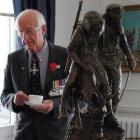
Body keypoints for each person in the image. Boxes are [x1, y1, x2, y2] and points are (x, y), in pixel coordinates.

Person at [1, 9, 67, 140]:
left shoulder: (64, 56)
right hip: (23, 134)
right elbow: (4, 96)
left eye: (29, 31)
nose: (24, 39)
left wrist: (54, 105)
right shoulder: (13, 59)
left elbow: (78, 97)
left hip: (55, 134)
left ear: (43, 30)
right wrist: (14, 99)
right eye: (20, 33)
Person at [59, 11, 110, 139]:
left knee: (103, 76)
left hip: (92, 58)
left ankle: (106, 100)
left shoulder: (99, 30)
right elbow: (71, 49)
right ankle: (62, 107)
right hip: (79, 59)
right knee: (70, 81)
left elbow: (98, 48)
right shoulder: (80, 31)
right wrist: (82, 64)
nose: (97, 33)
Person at [98, 4, 136, 132]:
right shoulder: (100, 25)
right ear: (109, 14)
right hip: (102, 60)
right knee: (103, 90)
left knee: (116, 90)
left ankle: (111, 115)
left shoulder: (119, 27)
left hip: (115, 61)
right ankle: (106, 115)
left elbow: (124, 43)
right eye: (117, 14)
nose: (120, 17)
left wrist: (130, 58)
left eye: (121, 15)